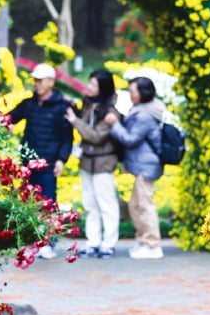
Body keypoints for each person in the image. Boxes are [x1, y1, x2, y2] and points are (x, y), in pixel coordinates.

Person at [8, 63, 74, 259]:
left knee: (47, 204)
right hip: (28, 163)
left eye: (40, 80)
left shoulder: (62, 106)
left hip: (49, 164)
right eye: (35, 80)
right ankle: (31, 241)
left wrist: (62, 160)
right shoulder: (29, 104)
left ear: (51, 82)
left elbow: (66, 137)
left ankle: (47, 243)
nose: (36, 84)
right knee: (28, 203)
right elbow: (9, 119)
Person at [104, 76, 165, 259]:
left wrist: (114, 124)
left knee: (145, 205)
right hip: (141, 164)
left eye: (133, 91)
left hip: (147, 166)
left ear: (143, 93)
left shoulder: (145, 115)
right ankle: (143, 241)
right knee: (135, 205)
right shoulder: (140, 110)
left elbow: (130, 139)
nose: (130, 94)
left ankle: (153, 245)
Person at [64, 69, 120, 259]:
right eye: (90, 83)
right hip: (87, 162)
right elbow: (86, 121)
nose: (89, 87)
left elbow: (96, 136)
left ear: (103, 88)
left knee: (107, 204)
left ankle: (108, 244)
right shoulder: (89, 104)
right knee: (90, 204)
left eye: (94, 85)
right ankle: (93, 242)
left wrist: (75, 121)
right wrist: (75, 110)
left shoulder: (110, 112)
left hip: (103, 163)